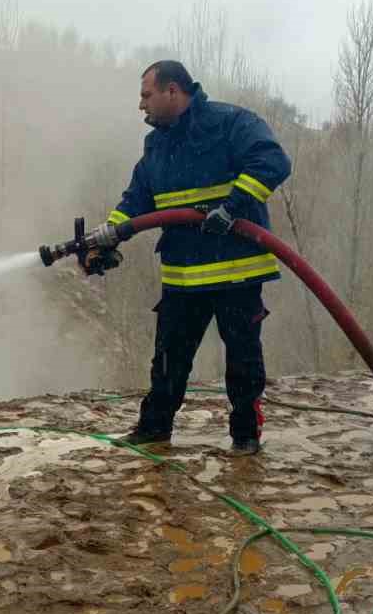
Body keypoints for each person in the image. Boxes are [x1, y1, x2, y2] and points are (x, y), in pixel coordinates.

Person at [81, 60, 292, 455]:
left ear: (173, 91)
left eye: (146, 95)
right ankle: (154, 429)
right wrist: (110, 233)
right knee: (168, 360)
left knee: (243, 360)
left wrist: (232, 207)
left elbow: (273, 162)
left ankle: (245, 435)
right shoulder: (157, 144)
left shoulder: (230, 124)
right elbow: (139, 197)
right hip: (182, 275)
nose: (141, 105)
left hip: (236, 271)